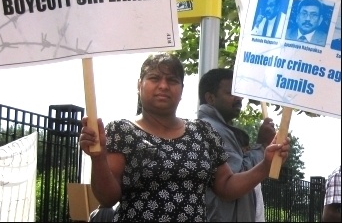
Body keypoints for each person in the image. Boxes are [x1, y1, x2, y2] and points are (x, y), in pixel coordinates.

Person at [79, 52, 290, 222]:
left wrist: (265, 165)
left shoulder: (203, 133)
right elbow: (107, 198)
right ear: (139, 85)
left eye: (172, 80)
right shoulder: (122, 131)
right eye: (154, 78)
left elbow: (226, 186)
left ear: (181, 90)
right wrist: (98, 157)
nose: (163, 85)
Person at [197, 68, 276, 222]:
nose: (239, 98)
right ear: (210, 98)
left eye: (239, 93)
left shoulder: (221, 129)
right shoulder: (213, 129)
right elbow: (237, 181)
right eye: (231, 93)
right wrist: (262, 146)